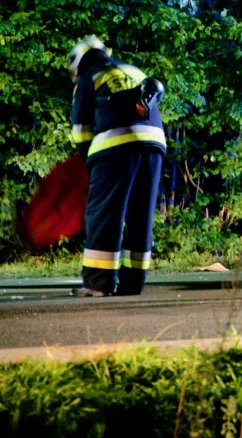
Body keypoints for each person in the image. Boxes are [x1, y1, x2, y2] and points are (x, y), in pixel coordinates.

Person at [68, 36, 166, 297]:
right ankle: (133, 283)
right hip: (154, 146)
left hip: (115, 147)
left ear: (80, 63)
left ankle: (98, 283)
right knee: (141, 215)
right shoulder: (132, 70)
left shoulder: (91, 77)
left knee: (105, 215)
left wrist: (90, 163)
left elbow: (80, 130)